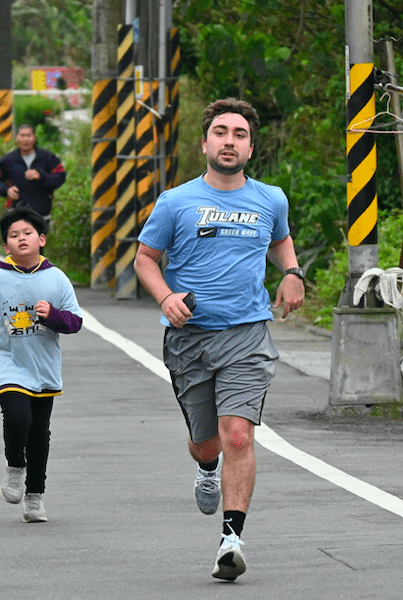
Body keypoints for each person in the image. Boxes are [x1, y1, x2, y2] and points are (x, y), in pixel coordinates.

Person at [133, 97, 305, 581]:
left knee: (238, 435)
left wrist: (292, 272)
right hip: (188, 339)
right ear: (205, 142)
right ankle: (206, 469)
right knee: (206, 444)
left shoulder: (271, 198)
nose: (230, 141)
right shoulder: (175, 202)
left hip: (247, 335)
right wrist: (165, 297)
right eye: (222, 132)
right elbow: (145, 259)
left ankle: (231, 540)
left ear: (251, 146)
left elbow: (279, 240)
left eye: (240, 134)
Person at [0, 206, 82, 523]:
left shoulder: (57, 278)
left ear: (42, 239)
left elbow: (75, 322)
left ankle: (35, 497)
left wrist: (52, 315)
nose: (21, 239)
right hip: (4, 359)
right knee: (17, 415)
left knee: (39, 433)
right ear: (6, 245)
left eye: (27, 233)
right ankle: (14, 467)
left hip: (43, 365)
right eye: (13, 235)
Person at [0, 124, 66, 222]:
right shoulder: (7, 160)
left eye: (29, 136)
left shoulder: (48, 157)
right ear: (16, 138)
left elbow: (60, 177)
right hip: (16, 214)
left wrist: (41, 176)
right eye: (22, 136)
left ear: (34, 138)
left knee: (37, 237)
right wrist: (6, 190)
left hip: (42, 215)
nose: (25, 139)